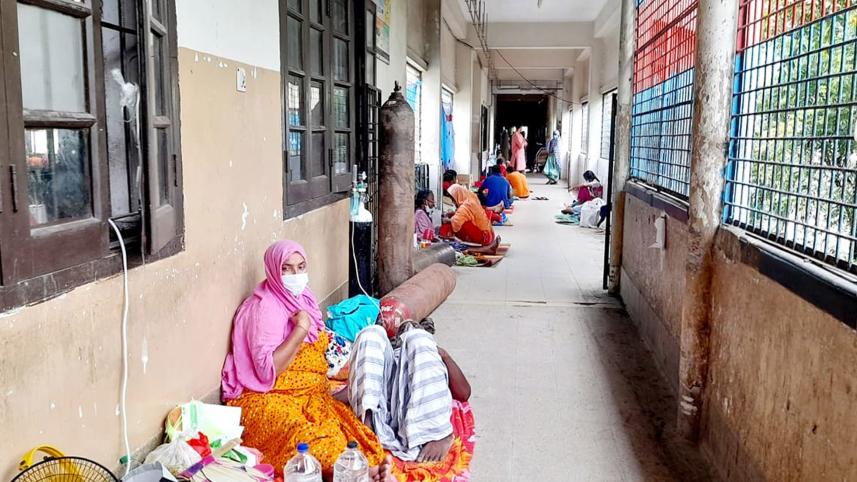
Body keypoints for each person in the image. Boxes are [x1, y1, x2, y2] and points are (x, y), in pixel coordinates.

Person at [222, 241, 396, 481]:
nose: (296, 275)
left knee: (341, 431)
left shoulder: (303, 299)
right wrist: (300, 330)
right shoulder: (265, 308)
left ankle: (363, 469)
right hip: (268, 396)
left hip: (309, 393)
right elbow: (266, 372)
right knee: (300, 434)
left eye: (301, 267)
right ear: (273, 270)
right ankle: (360, 474)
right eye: (287, 269)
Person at [347, 321, 472, 463]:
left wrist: (443, 355)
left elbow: (464, 393)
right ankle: (367, 429)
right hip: (380, 419)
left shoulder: (426, 357)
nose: (406, 331)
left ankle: (437, 434)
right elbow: (358, 388)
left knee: (417, 339)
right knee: (371, 333)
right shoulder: (383, 354)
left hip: (412, 422)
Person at [441, 184, 501, 253]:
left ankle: (484, 249)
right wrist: (453, 214)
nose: (453, 202)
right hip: (489, 235)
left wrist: (446, 220)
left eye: (453, 199)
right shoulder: (472, 198)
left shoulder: (466, 206)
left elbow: (456, 222)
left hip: (483, 238)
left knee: (449, 228)